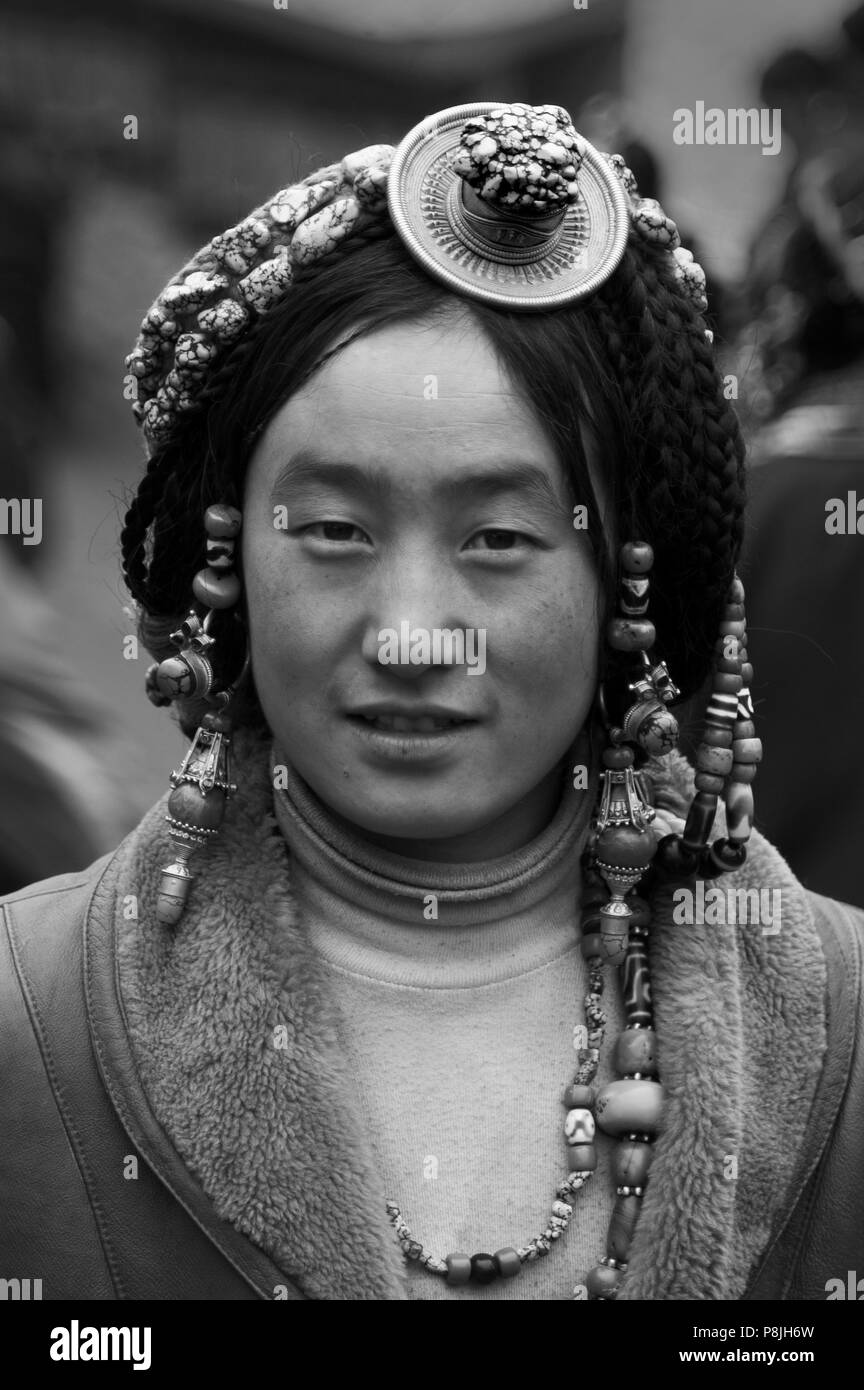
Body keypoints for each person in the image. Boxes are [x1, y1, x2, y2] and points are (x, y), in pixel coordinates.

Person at [1, 101, 861, 1303]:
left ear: (627, 574)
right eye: (337, 530)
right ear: (228, 555)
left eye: (501, 537)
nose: (413, 630)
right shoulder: (25, 1021)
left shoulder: (844, 1032)